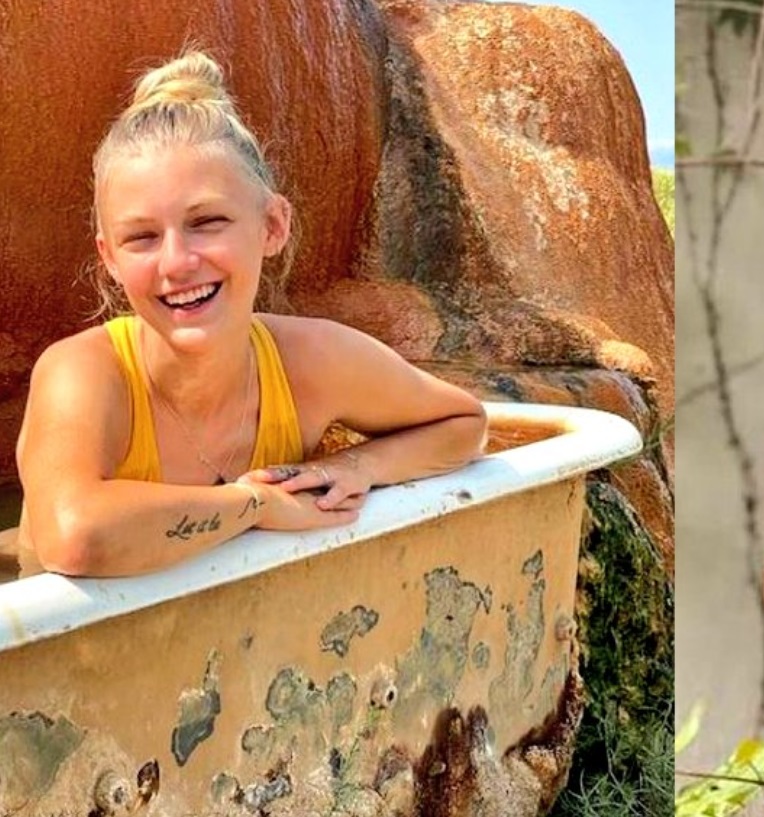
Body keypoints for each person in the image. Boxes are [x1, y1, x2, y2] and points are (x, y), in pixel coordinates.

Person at [14, 51, 486, 578]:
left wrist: (353, 467)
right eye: (142, 237)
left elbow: (464, 422)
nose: (177, 262)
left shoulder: (313, 360)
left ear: (272, 226)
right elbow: (74, 537)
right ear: (110, 258)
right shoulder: (85, 371)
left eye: (208, 221)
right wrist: (257, 505)